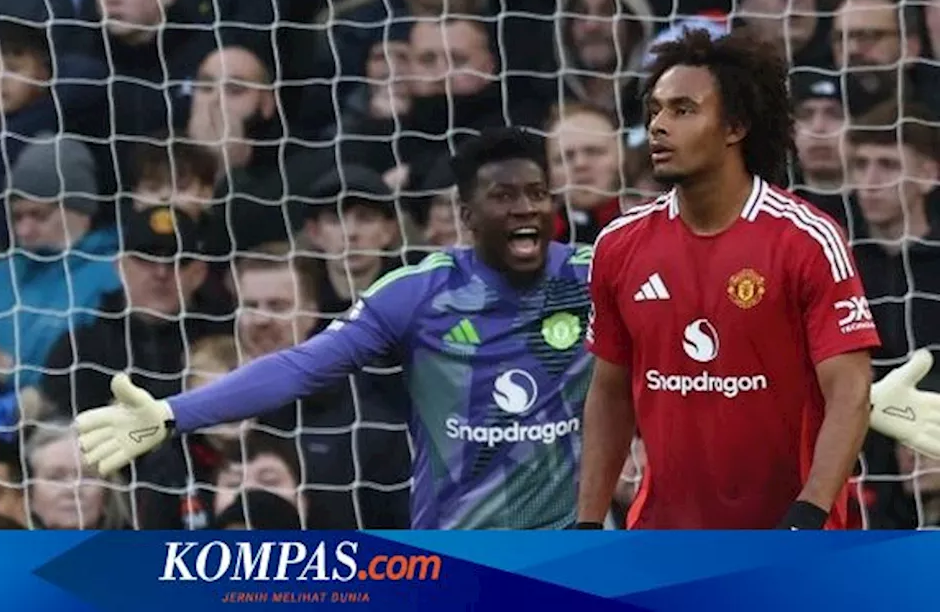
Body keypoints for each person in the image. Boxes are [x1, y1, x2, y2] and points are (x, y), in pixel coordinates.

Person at [77, 126, 597, 530]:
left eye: (536, 193)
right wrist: (172, 414)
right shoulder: (420, 293)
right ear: (467, 214)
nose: (525, 207)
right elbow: (300, 367)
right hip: (455, 554)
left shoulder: (598, 274)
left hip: (568, 551)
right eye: (504, 196)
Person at [577, 28, 881, 530]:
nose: (657, 126)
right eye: (654, 110)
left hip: (788, 534)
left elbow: (849, 389)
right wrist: (587, 521)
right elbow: (609, 392)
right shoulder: (619, 243)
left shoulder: (806, 239)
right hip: (664, 534)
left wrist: (809, 512)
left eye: (682, 109)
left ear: (735, 126)